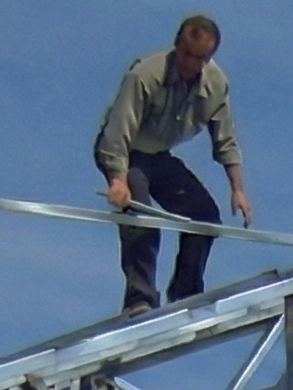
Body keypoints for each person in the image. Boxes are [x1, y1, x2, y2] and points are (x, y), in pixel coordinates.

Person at [94, 14, 251, 317]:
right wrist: (118, 179)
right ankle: (139, 299)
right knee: (141, 215)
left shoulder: (216, 85)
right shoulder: (146, 74)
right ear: (177, 47)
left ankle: (186, 293)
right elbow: (118, 131)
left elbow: (226, 139)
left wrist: (238, 189)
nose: (192, 64)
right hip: (123, 150)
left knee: (205, 217)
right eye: (188, 55)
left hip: (158, 156)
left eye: (201, 58)